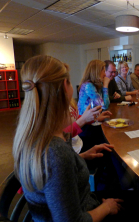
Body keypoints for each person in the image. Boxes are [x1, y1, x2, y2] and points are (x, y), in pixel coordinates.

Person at [12, 55, 122, 221]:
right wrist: (106, 208)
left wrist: (80, 157)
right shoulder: (56, 152)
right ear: (65, 86)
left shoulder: (33, 136)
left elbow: (53, 176)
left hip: (84, 202)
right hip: (87, 209)